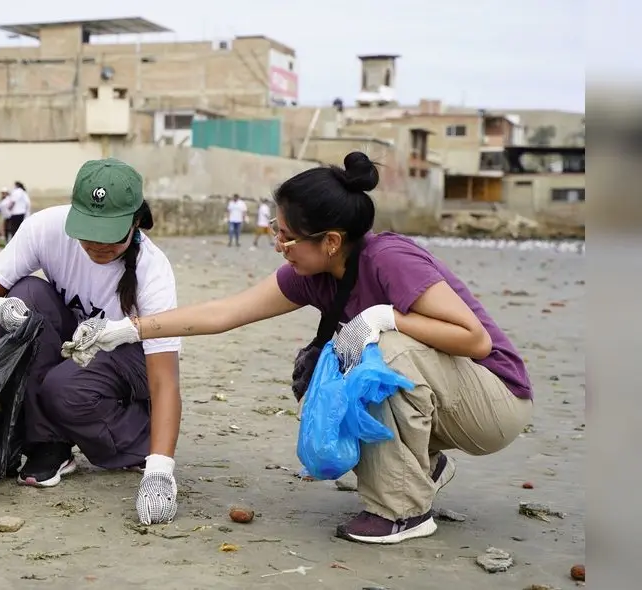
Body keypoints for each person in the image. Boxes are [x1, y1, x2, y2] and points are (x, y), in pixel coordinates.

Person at [62, 152, 534, 545]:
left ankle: (403, 512)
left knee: (381, 350)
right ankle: (423, 468)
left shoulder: (391, 259)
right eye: (275, 229)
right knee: (339, 365)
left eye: (286, 236)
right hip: (447, 395)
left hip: (495, 403)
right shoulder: (309, 275)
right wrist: (127, 330)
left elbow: (475, 340)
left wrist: (381, 317)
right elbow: (226, 313)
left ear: (330, 241)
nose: (278, 244)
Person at [0, 158, 184, 526]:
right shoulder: (44, 228)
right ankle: (47, 444)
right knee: (29, 292)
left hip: (133, 359)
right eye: (87, 231)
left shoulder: (152, 269)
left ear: (135, 222)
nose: (97, 244)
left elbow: (165, 378)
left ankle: (137, 439)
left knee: (64, 388)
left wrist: (160, 469)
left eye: (110, 234)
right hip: (76, 345)